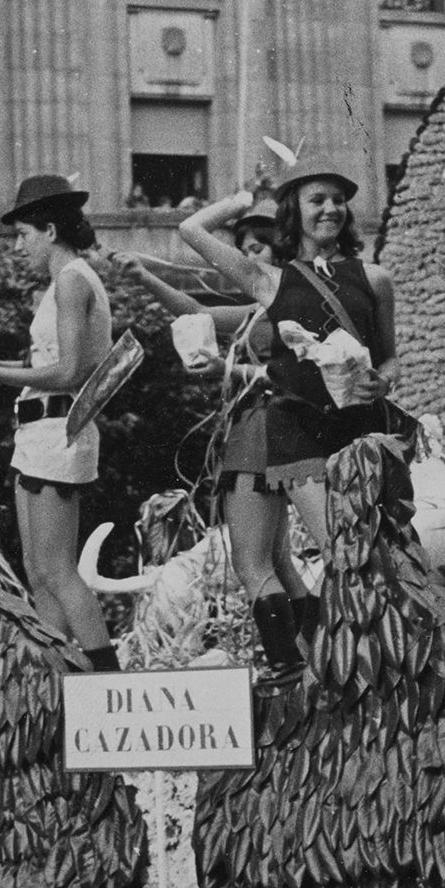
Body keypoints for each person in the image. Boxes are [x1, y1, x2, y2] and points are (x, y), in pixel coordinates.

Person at [177, 158, 401, 678]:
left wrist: (384, 380)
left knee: (352, 554)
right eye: (315, 199)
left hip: (358, 433)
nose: (330, 209)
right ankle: (292, 668)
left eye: (337, 199)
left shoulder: (375, 278)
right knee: (327, 550)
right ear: (292, 212)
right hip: (295, 430)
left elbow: (389, 356)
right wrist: (243, 197)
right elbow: (190, 229)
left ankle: (357, 659)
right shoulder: (268, 279)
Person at [113, 199, 318, 646]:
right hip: (274, 432)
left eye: (257, 249)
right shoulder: (261, 311)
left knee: (251, 562)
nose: (247, 259)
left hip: (261, 433)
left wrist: (225, 370)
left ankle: (288, 666)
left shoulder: (282, 304)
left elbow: (286, 373)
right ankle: (313, 650)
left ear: (280, 251)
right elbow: (194, 313)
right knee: (279, 561)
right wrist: (148, 278)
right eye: (242, 249)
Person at [0, 175, 122, 673]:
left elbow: (71, 371)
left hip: (59, 432)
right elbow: (51, 365)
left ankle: (109, 682)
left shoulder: (72, 280)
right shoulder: (62, 283)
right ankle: (54, 678)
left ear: (50, 230)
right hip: (38, 433)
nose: (18, 245)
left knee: (56, 570)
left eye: (24, 234)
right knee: (37, 570)